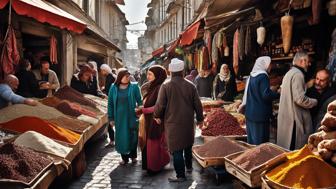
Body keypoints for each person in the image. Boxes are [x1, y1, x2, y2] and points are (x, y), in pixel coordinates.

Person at [154, 58, 204, 182]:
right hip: (188, 122)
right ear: (182, 71)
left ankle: (180, 175)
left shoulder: (166, 86)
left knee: (176, 150)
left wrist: (157, 115)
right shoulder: (191, 86)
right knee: (187, 145)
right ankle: (189, 167)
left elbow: (160, 105)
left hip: (172, 123)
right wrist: (200, 119)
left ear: (171, 71)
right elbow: (198, 104)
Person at [277, 51, 318, 150]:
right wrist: (314, 102)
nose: (309, 64)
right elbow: (299, 99)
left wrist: (306, 86)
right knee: (293, 149)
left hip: (287, 117)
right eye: (307, 61)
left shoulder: (289, 73)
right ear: (302, 61)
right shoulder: (298, 75)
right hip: (294, 119)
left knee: (286, 148)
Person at [108, 68, 142, 165]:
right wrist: (111, 118)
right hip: (119, 118)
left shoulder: (134, 87)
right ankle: (124, 158)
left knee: (133, 136)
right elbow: (110, 103)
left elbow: (139, 100)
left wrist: (140, 110)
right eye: (125, 76)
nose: (128, 78)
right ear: (120, 77)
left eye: (128, 76)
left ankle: (133, 156)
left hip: (132, 116)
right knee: (121, 137)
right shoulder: (113, 87)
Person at [242, 56, 279, 145]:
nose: (271, 66)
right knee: (260, 145)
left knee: (251, 143)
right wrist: (278, 94)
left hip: (250, 114)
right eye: (270, 64)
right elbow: (265, 95)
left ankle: (250, 159)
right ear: (264, 64)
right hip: (260, 116)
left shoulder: (252, 75)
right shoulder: (263, 76)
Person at [141, 65, 170, 174]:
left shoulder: (160, 87)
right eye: (148, 74)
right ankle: (151, 165)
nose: (147, 76)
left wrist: (144, 110)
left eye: (150, 74)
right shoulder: (153, 86)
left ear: (157, 75)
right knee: (151, 143)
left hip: (156, 119)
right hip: (150, 120)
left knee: (153, 143)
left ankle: (154, 167)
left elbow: (160, 106)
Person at [100, 64, 116, 146]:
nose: (101, 72)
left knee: (110, 120)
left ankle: (113, 140)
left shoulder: (110, 77)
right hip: (111, 100)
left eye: (102, 70)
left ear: (105, 70)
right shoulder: (110, 76)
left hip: (111, 101)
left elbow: (110, 89)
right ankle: (113, 140)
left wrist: (104, 91)